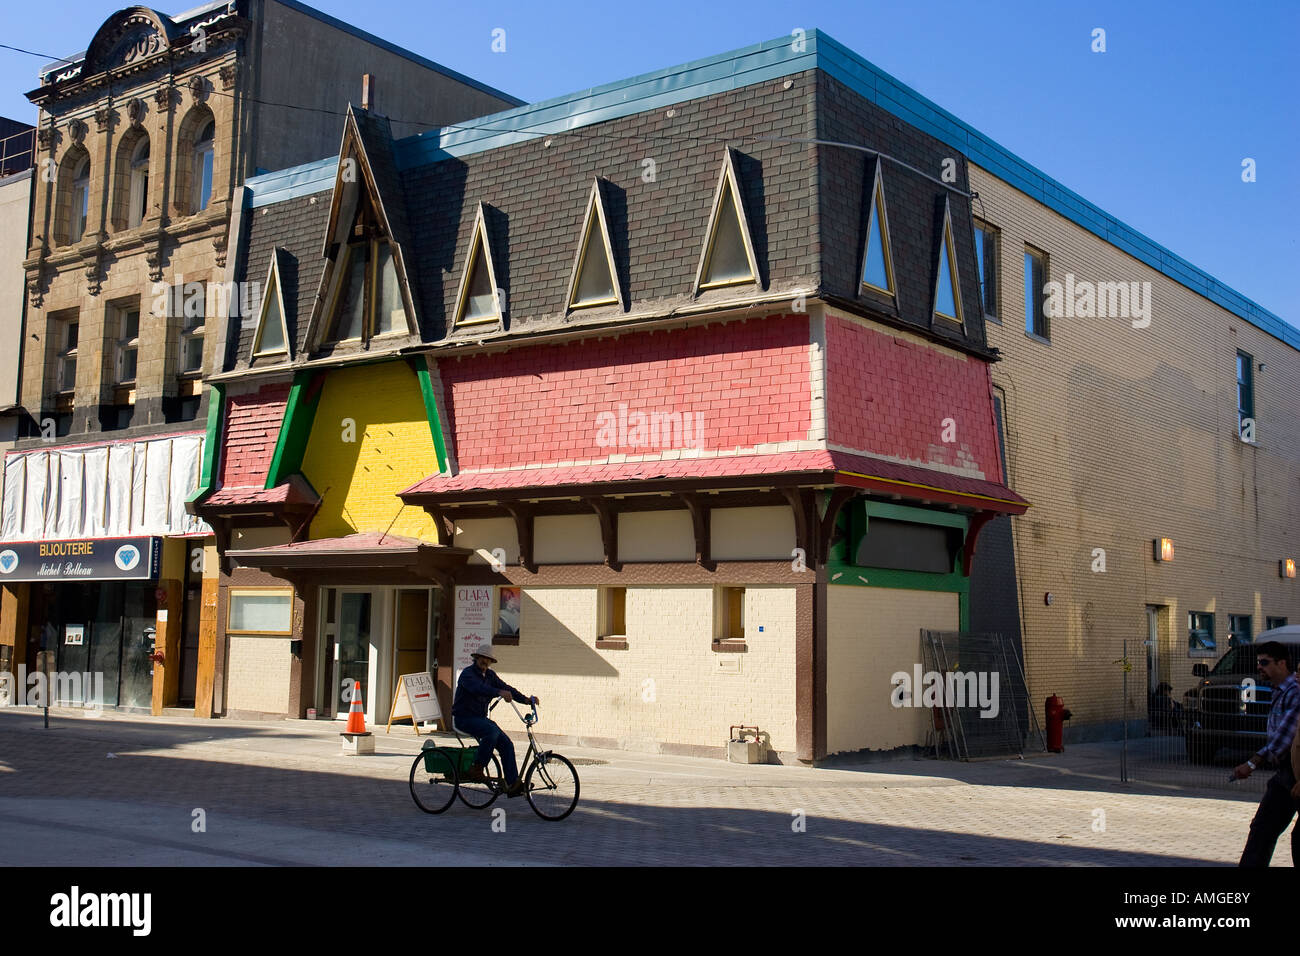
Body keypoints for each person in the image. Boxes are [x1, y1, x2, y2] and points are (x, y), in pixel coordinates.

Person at [1235, 641, 1300, 866]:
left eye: (1265, 662)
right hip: (1286, 772)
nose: (1259, 667)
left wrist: (1252, 763)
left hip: (1294, 772)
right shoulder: (1280, 691)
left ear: (1282, 663)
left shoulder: (1294, 692)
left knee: (1270, 830)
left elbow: (1284, 738)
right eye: (1258, 663)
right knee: (1263, 829)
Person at [451, 643, 538, 798]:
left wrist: (526, 699)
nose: (485, 661)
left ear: (491, 662)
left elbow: (507, 688)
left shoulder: (490, 676)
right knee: (491, 731)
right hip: (463, 718)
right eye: (483, 658)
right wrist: (498, 692)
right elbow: (478, 688)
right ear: (477, 658)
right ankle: (477, 768)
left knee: (506, 743)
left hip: (480, 719)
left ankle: (512, 784)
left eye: (488, 659)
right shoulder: (467, 674)